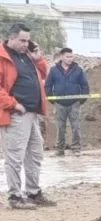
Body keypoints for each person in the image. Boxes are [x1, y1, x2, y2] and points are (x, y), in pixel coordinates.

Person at [1, 24, 51, 210]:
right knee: (14, 156)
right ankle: (15, 196)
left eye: (28, 40)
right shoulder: (3, 57)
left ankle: (33, 192)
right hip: (15, 114)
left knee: (35, 154)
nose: (26, 44)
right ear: (11, 38)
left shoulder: (27, 56)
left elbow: (44, 74)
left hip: (32, 113)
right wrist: (14, 104)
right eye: (22, 40)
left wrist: (38, 59)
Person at [44, 47, 89, 156]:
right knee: (60, 127)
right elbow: (48, 86)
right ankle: (59, 150)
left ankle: (76, 149)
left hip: (74, 103)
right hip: (59, 103)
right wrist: (52, 99)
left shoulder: (78, 70)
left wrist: (80, 100)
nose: (70, 59)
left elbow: (85, 86)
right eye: (67, 57)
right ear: (62, 57)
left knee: (76, 127)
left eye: (71, 56)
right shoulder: (54, 70)